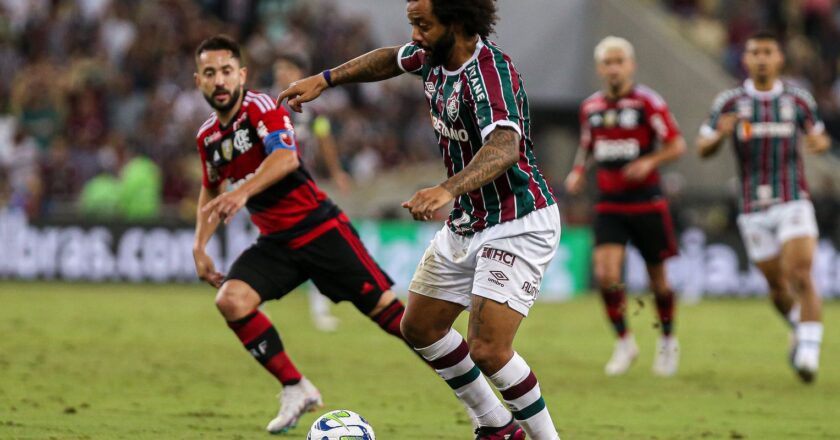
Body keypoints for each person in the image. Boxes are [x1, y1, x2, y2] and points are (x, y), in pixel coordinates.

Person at [279, 1, 561, 438]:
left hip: (518, 219)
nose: (415, 35)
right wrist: (326, 78)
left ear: (457, 22)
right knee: (420, 327)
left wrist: (447, 189)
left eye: (423, 25)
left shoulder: (489, 74)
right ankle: (496, 426)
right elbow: (388, 60)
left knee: (488, 349)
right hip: (471, 219)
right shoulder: (430, 55)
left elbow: (505, 148)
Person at [190, 35, 413, 434]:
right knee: (232, 300)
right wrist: (199, 244)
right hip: (276, 243)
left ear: (241, 74)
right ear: (199, 81)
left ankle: (467, 380)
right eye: (210, 73)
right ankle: (296, 387)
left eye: (226, 71)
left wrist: (240, 192)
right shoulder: (208, 137)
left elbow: (286, 157)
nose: (219, 80)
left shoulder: (263, 107)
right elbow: (211, 186)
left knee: (395, 319)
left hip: (319, 228)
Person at [696, 31, 830, 383]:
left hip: (793, 200)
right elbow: (702, 145)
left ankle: (809, 354)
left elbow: (819, 133)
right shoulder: (730, 101)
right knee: (776, 287)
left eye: (768, 52)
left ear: (779, 58)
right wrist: (720, 136)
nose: (761, 58)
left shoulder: (798, 100)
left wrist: (818, 142)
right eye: (754, 52)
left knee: (800, 273)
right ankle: (801, 328)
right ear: (746, 59)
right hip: (752, 206)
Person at [564, 36, 686, 377]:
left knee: (658, 281)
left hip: (647, 202)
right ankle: (624, 342)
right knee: (606, 275)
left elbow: (677, 145)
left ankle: (666, 341)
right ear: (600, 68)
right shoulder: (591, 107)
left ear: (630, 65)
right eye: (608, 62)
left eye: (620, 61)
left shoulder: (648, 102)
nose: (614, 68)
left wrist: (650, 161)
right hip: (610, 203)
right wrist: (577, 172)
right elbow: (587, 146)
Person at [273, 52, 352, 333]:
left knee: (317, 242)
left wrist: (336, 172)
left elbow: (324, 139)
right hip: (272, 186)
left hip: (303, 184)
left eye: (287, 67)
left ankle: (319, 310)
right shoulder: (269, 106)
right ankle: (250, 300)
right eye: (278, 68)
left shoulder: (315, 109)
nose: (281, 73)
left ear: (300, 71)